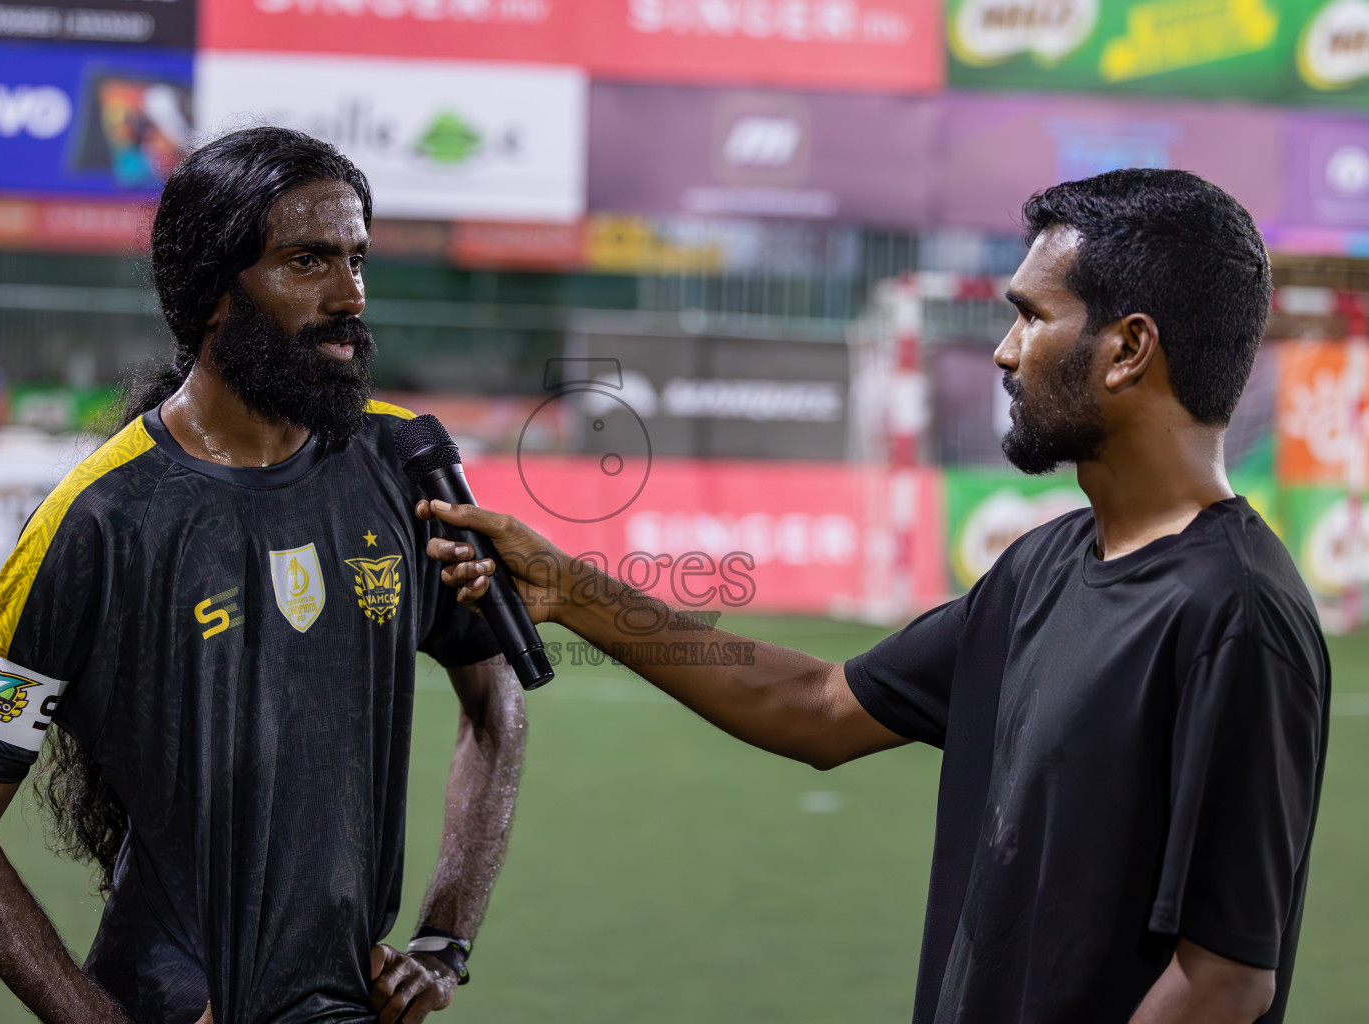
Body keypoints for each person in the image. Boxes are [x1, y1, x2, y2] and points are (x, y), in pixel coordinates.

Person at [420, 169, 1328, 1024]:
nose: (1006, 351)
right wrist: (569, 588)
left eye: (1031, 316)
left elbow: (1222, 983)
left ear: (1127, 348)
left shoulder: (1235, 615)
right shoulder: (1041, 567)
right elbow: (815, 706)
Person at [0, 127, 527, 1024]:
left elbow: (495, 698)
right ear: (211, 294)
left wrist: (444, 940)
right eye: (306, 261)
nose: (349, 293)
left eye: (357, 258)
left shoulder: (401, 463)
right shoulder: (94, 523)